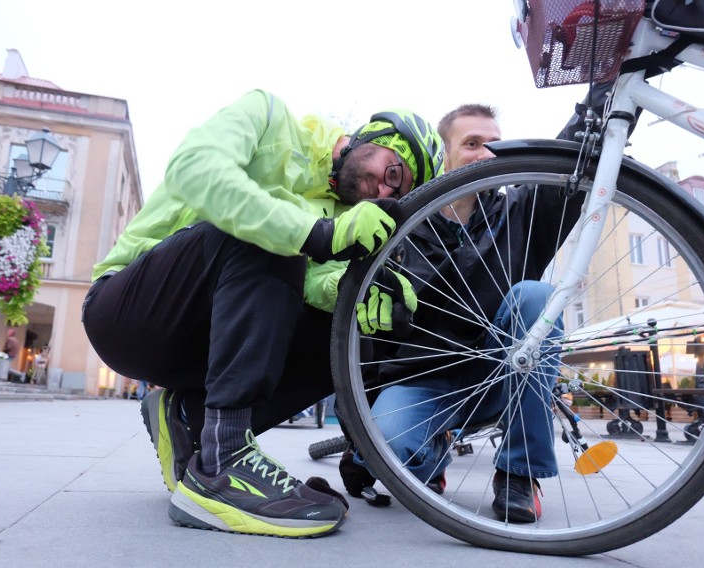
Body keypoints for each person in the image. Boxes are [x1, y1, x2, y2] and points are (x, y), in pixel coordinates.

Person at [81, 89, 442, 538]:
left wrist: (363, 295)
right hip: (129, 311)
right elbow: (195, 171)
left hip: (204, 342)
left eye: (395, 192)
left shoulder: (342, 214)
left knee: (350, 331)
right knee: (273, 232)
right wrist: (315, 233)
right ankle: (224, 465)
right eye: (392, 171)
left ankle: (190, 422)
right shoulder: (267, 116)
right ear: (375, 135)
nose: (383, 190)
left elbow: (304, 285)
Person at [350, 102, 594, 523]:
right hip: (421, 380)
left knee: (536, 297)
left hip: (500, 372)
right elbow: (365, 338)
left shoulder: (521, 211)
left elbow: (573, 158)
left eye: (495, 145)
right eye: (472, 144)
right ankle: (432, 452)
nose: (486, 154)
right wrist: (358, 434)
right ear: (445, 155)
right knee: (388, 453)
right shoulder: (402, 224)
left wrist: (602, 99)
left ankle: (519, 474)